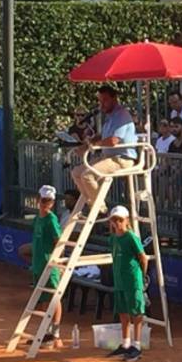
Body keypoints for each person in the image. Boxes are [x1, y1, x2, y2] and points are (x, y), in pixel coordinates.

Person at [71, 85, 139, 211]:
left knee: (87, 175)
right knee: (76, 172)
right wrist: (88, 143)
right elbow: (103, 135)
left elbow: (113, 140)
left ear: (115, 99)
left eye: (105, 101)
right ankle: (92, 202)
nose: (102, 105)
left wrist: (95, 145)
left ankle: (100, 208)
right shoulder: (110, 116)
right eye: (100, 101)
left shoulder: (122, 115)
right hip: (108, 157)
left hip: (121, 159)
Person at [106, 205, 149, 362]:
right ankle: (125, 343)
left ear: (126, 221)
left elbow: (142, 258)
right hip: (119, 281)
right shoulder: (112, 238)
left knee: (136, 312)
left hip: (132, 281)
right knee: (123, 312)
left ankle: (136, 346)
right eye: (114, 220)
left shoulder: (131, 237)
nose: (117, 223)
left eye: (120, 220)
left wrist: (142, 277)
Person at [23, 185, 63, 346]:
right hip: (38, 264)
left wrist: (56, 262)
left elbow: (58, 241)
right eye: (43, 200)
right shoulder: (38, 219)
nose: (45, 203)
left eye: (49, 201)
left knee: (54, 297)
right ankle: (46, 333)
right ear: (38, 200)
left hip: (50, 264)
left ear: (52, 203)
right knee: (45, 299)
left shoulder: (51, 219)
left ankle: (56, 334)